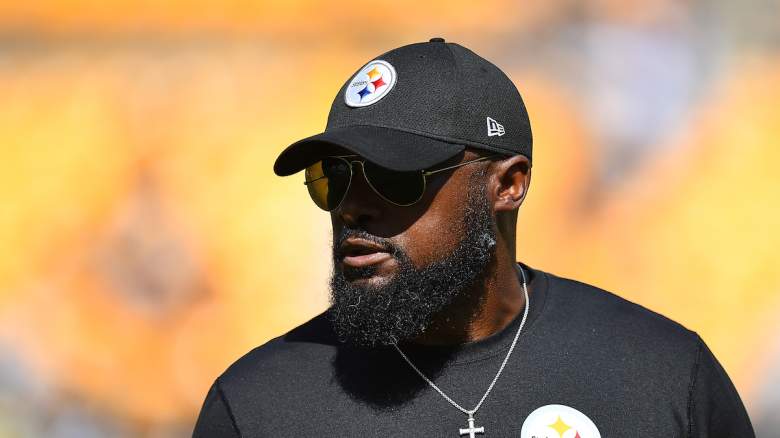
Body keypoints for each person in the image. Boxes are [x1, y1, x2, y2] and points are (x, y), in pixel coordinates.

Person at [192, 38, 754, 437]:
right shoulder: (258, 407)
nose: (353, 206)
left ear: (507, 184)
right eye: (334, 178)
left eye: (395, 177)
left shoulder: (661, 376)